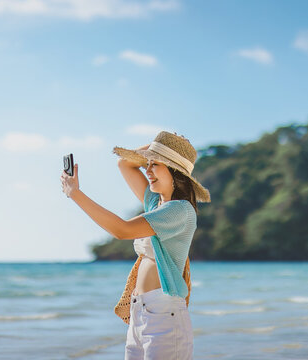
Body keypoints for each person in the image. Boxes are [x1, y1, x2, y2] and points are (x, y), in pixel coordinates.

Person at [60, 131, 211, 360]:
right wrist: (159, 145)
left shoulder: (179, 210)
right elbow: (125, 164)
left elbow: (122, 230)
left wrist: (76, 194)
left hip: (164, 313)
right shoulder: (155, 203)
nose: (147, 171)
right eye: (147, 164)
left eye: (155, 164)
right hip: (141, 311)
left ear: (175, 170)